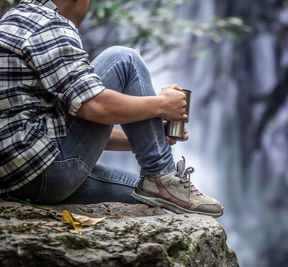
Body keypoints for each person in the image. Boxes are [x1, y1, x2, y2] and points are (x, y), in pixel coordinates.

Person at [0, 0, 223, 217]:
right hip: (48, 172)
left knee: (145, 198)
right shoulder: (48, 25)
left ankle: (159, 186)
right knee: (124, 59)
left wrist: (146, 139)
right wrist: (161, 105)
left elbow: (63, 131)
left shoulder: (14, 20)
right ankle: (161, 175)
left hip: (18, 179)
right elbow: (93, 106)